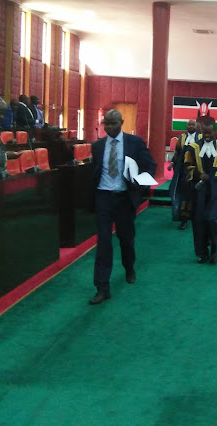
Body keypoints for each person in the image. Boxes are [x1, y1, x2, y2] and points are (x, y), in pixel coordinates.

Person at [88, 109, 156, 305]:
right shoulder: (97, 146)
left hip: (124, 198)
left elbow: (150, 164)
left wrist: (141, 182)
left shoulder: (135, 143)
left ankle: (129, 267)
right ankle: (102, 287)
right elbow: (95, 170)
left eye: (113, 123)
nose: (109, 127)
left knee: (126, 239)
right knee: (103, 242)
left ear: (121, 122)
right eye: (106, 123)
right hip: (103, 197)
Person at [182, 120, 217, 264]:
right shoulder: (191, 148)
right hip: (199, 190)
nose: (207, 136)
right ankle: (202, 253)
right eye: (204, 132)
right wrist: (199, 175)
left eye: (210, 133)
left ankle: (214, 247)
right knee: (198, 222)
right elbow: (187, 166)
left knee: (213, 219)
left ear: (214, 131)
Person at [167, 119, 200, 230]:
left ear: (196, 126)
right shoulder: (181, 138)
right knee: (184, 197)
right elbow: (177, 153)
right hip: (182, 172)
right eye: (189, 124)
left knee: (196, 196)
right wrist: (172, 163)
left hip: (195, 173)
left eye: (192, 124)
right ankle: (184, 220)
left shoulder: (201, 138)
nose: (190, 126)